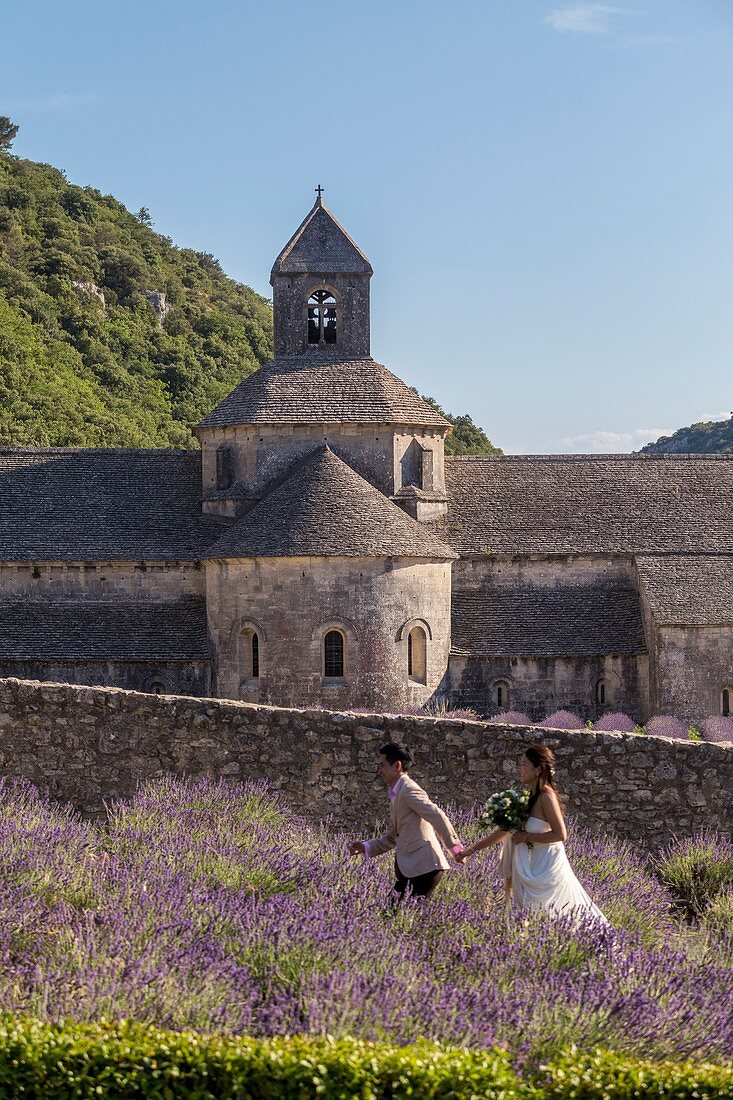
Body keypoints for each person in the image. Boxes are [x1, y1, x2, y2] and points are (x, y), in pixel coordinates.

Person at [457, 744, 607, 921]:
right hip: (530, 866)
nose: (520, 769)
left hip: (547, 868)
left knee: (558, 915)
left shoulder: (546, 796)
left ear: (538, 769)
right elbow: (505, 831)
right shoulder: (528, 797)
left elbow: (561, 835)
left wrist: (527, 837)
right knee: (530, 916)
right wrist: (469, 851)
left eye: (523, 764)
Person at [349, 742, 464, 903]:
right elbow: (392, 837)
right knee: (394, 914)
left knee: (399, 913)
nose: (379, 771)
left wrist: (456, 849)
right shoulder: (397, 793)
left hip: (425, 868)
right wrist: (366, 847)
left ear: (397, 766)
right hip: (411, 870)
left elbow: (437, 816)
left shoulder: (409, 789)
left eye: (382, 765)